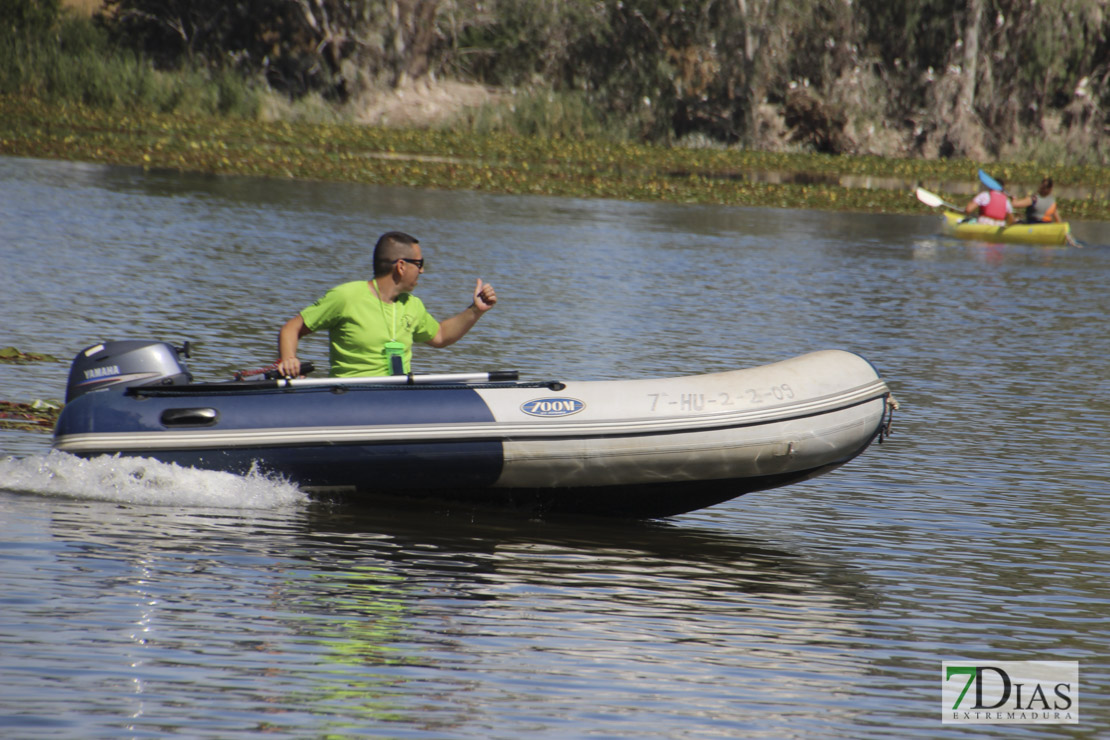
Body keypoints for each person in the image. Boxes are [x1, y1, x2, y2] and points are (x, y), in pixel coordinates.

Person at [276, 231, 497, 378]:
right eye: (419, 264)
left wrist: (475, 310)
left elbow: (439, 336)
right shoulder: (345, 297)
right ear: (401, 266)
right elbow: (291, 329)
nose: (422, 270)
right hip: (350, 398)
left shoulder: (412, 305)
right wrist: (289, 360)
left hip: (397, 399)